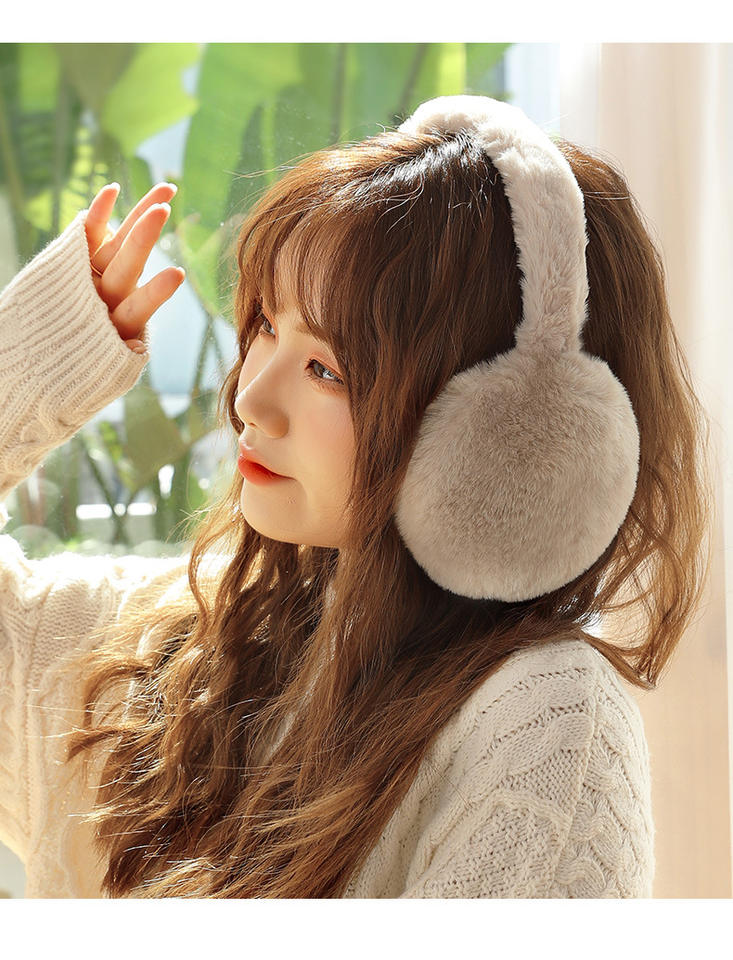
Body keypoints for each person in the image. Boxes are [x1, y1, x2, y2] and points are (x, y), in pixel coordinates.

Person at [0, 94, 713, 899]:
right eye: (265, 326)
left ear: (504, 439)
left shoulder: (546, 728)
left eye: (325, 370)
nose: (250, 400)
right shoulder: (187, 640)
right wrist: (25, 368)